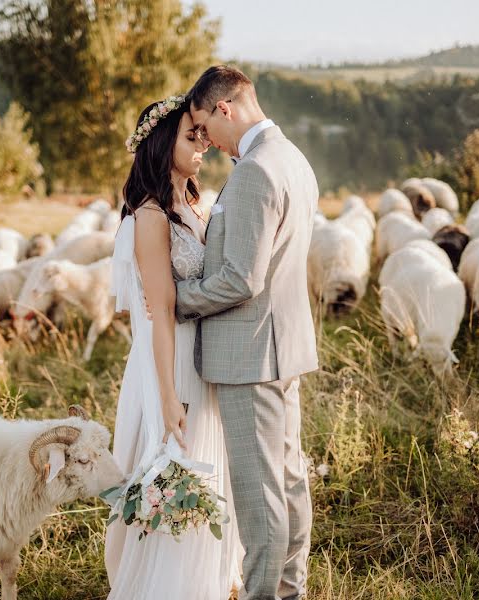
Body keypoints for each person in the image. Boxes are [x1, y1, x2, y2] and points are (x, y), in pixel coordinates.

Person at [175, 65, 319, 600]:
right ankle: (288, 589)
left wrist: (176, 300)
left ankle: (266, 595)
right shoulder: (294, 159)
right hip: (282, 347)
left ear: (224, 110)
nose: (206, 143)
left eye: (204, 128)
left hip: (250, 353)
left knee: (260, 495)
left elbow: (241, 278)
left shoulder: (257, 170)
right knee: (288, 481)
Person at [105, 93, 242, 599]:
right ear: (163, 144)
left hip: (201, 357)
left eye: (203, 134)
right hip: (172, 361)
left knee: (204, 469)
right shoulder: (150, 215)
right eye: (192, 136)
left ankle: (206, 581)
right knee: (176, 470)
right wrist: (166, 396)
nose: (203, 144)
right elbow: (160, 310)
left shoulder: (192, 204)